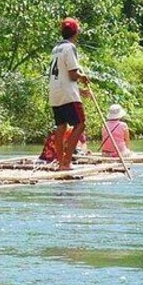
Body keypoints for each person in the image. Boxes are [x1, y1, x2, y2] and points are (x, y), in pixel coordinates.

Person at [48, 17, 91, 170]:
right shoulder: (70, 47)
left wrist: (79, 90)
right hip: (67, 95)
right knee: (80, 124)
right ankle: (66, 161)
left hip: (55, 93)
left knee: (61, 127)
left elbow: (62, 77)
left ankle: (61, 163)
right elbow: (72, 74)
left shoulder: (56, 49)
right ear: (76, 32)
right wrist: (83, 76)